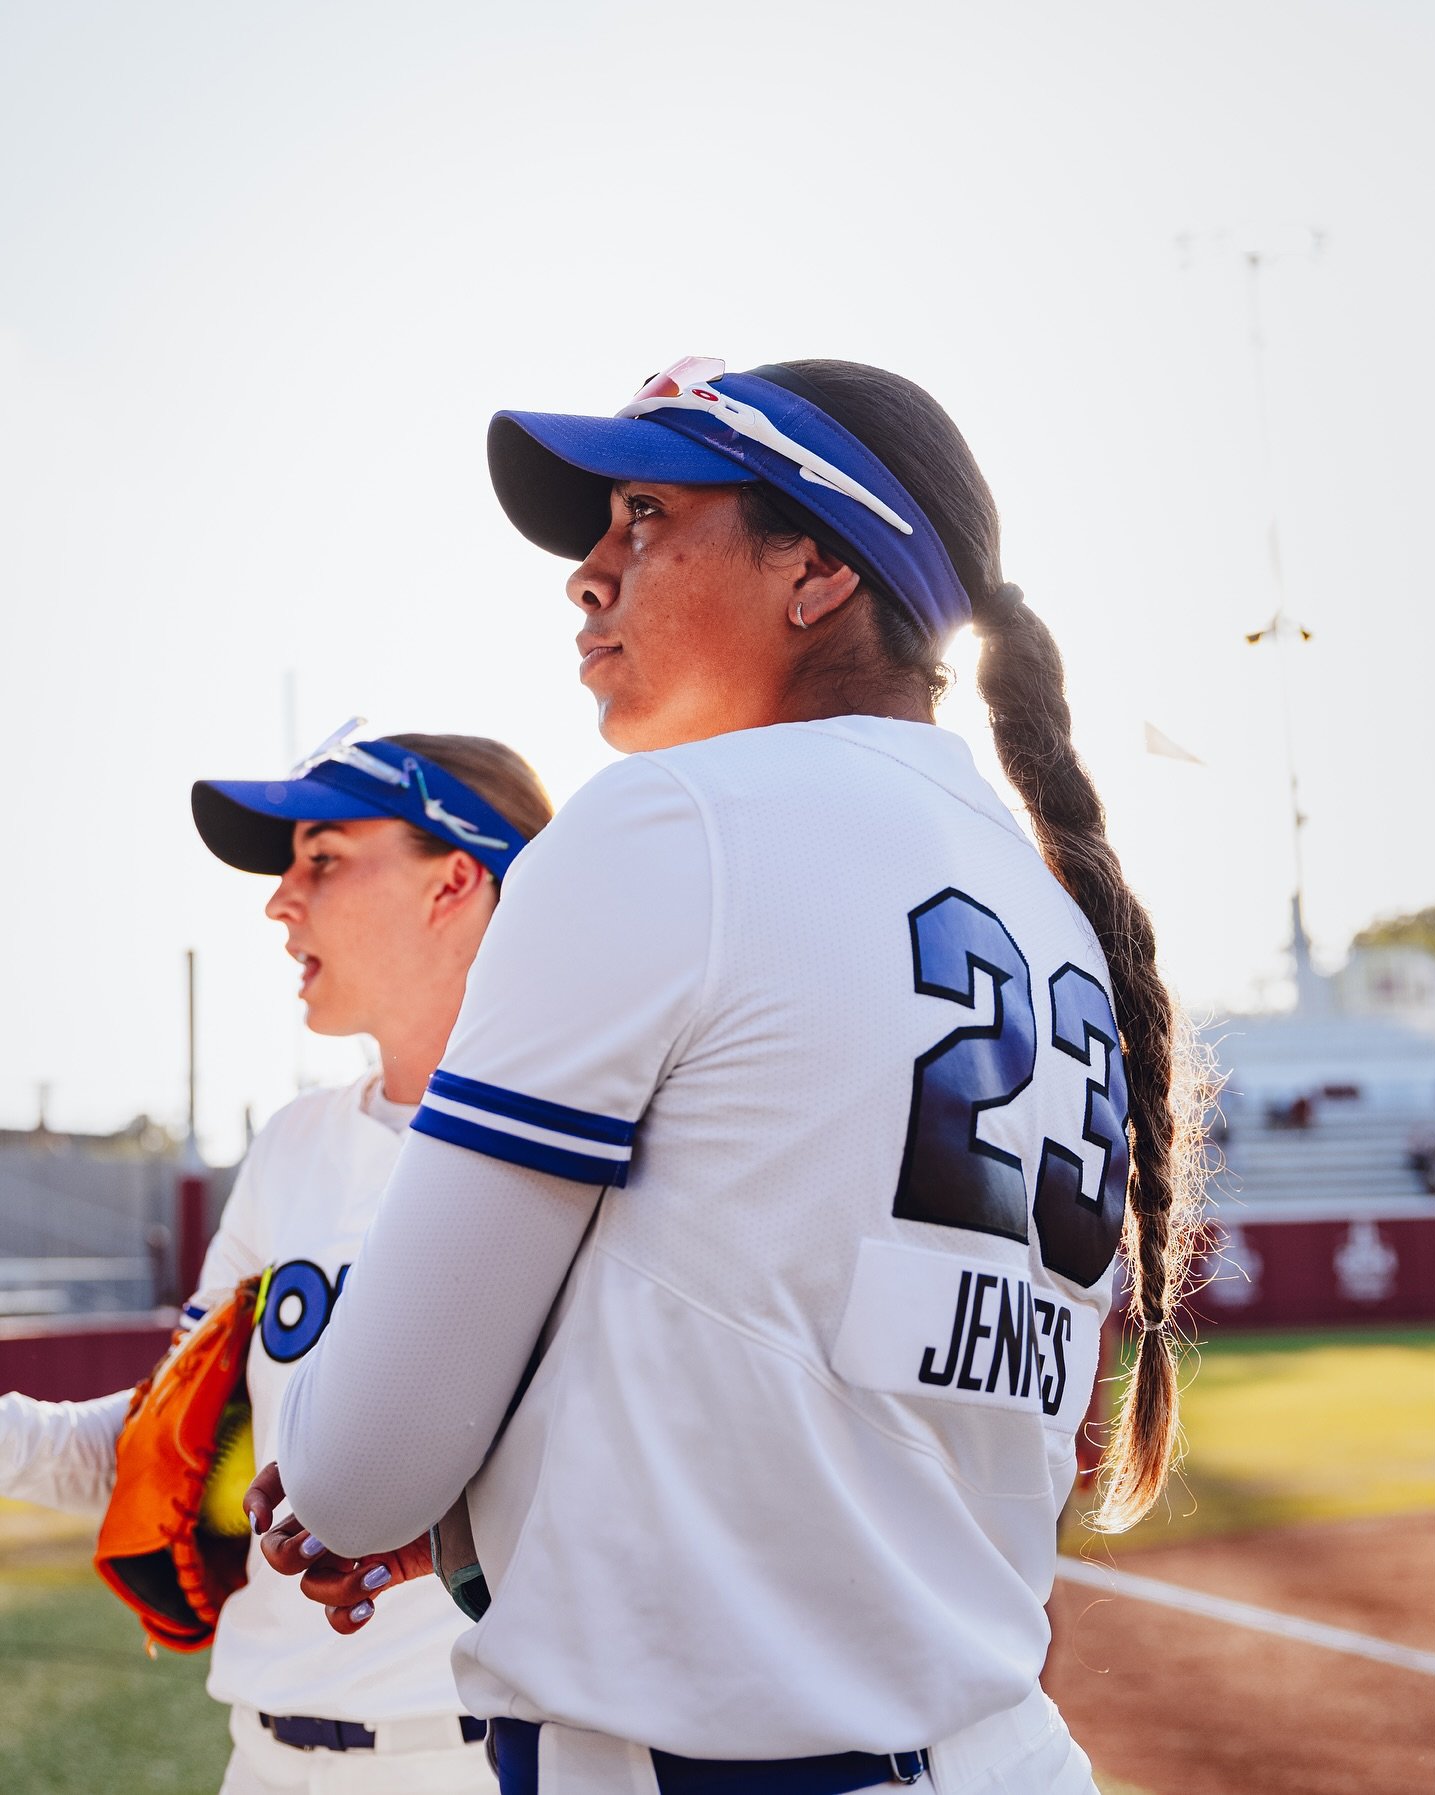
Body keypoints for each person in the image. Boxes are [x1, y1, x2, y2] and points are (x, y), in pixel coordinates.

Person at [259, 359, 1205, 1795]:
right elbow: (807, 1357)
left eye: (645, 513)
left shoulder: (673, 822)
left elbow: (351, 1475)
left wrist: (384, 1472)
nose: (589, 571)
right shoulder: (1051, 903)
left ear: (818, 568)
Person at [0, 724, 552, 1794]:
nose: (279, 899)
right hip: (261, 1758)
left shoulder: (590, 1150)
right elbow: (172, 1453)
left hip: (469, 1762)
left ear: (456, 881)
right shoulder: (297, 1144)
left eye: (324, 859)